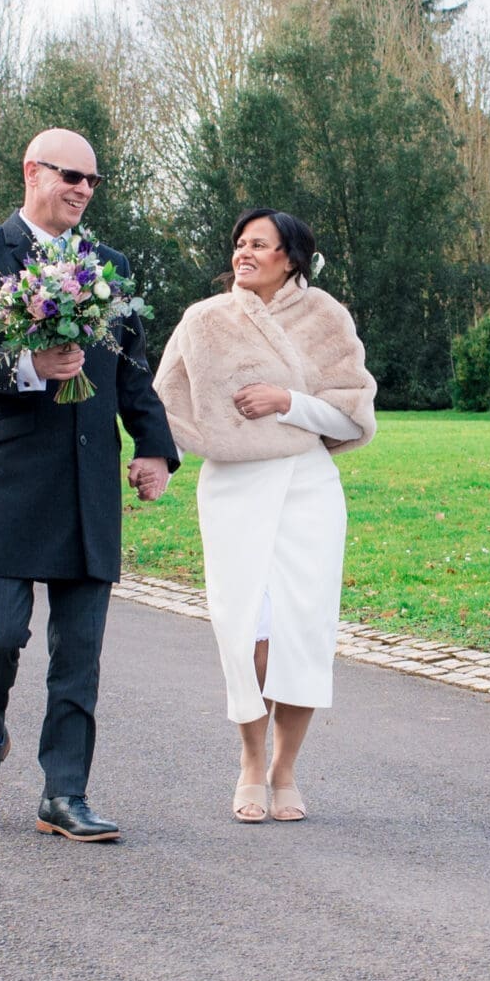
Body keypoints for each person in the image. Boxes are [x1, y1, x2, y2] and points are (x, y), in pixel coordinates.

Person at [0, 127, 178, 843]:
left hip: (87, 485)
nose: (83, 189)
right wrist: (30, 364)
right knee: (0, 633)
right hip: (8, 482)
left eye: (93, 181)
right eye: (72, 175)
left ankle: (64, 794)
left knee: (79, 652)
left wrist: (154, 449)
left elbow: (133, 371)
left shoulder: (111, 266)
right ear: (32, 170)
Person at [152, 209, 376, 823]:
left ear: (290, 257)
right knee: (245, 628)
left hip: (307, 488)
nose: (244, 254)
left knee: (302, 630)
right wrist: (163, 460)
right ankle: (251, 761)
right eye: (240, 244)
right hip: (234, 487)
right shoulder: (204, 321)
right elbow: (162, 399)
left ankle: (285, 770)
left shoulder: (326, 318)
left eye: (260, 245)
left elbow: (353, 415)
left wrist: (290, 402)